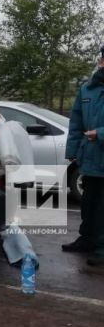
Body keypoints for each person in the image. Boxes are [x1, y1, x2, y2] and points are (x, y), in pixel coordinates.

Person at [63, 45, 104, 266]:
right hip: (89, 158)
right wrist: (72, 151)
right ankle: (87, 239)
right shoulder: (87, 89)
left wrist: (99, 134)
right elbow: (76, 122)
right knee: (88, 204)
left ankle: (102, 247)